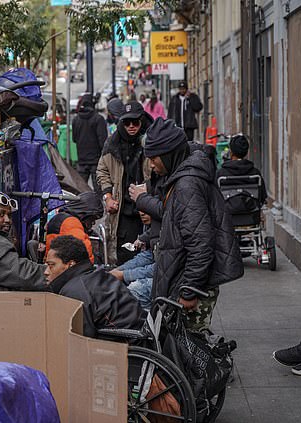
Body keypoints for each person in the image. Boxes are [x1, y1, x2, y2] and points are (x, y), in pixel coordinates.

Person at [143, 118, 243, 332]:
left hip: (191, 284)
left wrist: (189, 290)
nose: (151, 164)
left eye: (154, 158)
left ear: (169, 154)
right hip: (186, 278)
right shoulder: (184, 176)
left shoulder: (187, 184)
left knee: (193, 349)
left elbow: (200, 242)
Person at [44, 235, 145, 338]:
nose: (46, 271)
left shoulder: (75, 291)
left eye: (51, 265)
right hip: (139, 340)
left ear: (70, 264)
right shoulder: (96, 276)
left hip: (124, 347)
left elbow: (80, 340)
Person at [96, 101, 153, 265]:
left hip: (151, 209)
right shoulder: (112, 143)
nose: (131, 126)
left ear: (142, 120)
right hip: (124, 212)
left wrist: (149, 191)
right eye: (127, 122)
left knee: (151, 257)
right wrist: (107, 196)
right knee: (125, 258)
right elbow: (102, 170)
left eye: (135, 122)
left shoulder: (153, 140)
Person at [110, 212, 156, 310]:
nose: (142, 213)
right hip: (159, 273)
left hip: (177, 279)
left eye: (146, 210)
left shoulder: (166, 228)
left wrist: (124, 275)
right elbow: (148, 256)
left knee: (135, 290)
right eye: (140, 209)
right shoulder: (149, 226)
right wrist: (117, 271)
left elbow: (161, 268)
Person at [44, 192, 104, 264]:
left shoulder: (60, 217)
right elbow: (85, 252)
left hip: (56, 263)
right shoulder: (71, 222)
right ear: (85, 213)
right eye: (92, 219)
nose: (93, 223)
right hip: (67, 267)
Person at [216, 134, 268, 204]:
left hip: (227, 213)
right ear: (246, 152)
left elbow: (214, 197)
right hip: (251, 212)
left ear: (231, 152)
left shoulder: (221, 174)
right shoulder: (255, 173)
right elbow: (262, 196)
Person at [72, 94, 108, 193]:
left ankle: (81, 208)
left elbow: (74, 139)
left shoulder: (76, 120)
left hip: (82, 159)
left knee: (79, 191)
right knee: (99, 191)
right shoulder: (98, 119)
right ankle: (98, 208)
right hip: (96, 160)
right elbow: (103, 141)